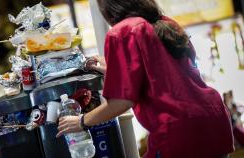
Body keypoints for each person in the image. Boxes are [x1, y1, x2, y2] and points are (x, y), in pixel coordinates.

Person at [57, 0, 234, 157]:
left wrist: (81, 121)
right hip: (215, 121)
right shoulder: (166, 22)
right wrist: (113, 72)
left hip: (179, 131)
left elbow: (122, 101)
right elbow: (166, 74)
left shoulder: (122, 31)